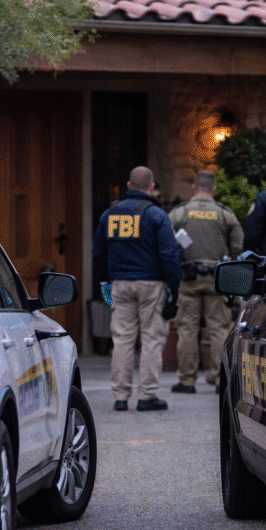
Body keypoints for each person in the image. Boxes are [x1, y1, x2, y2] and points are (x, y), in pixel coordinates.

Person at [93, 166, 181, 412]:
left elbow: (99, 253)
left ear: (129, 186)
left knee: (122, 338)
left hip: (119, 283)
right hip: (152, 285)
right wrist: (174, 288)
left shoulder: (109, 215)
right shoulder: (156, 215)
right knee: (152, 339)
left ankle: (120, 396)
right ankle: (147, 396)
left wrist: (104, 283)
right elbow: (169, 255)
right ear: (151, 187)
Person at [167, 170, 243, 393]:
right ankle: (221, 379)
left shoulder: (179, 213)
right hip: (216, 278)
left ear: (193, 188)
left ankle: (187, 381)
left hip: (188, 278)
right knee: (218, 328)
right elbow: (238, 244)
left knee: (187, 329)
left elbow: (167, 240)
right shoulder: (224, 214)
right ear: (213, 190)